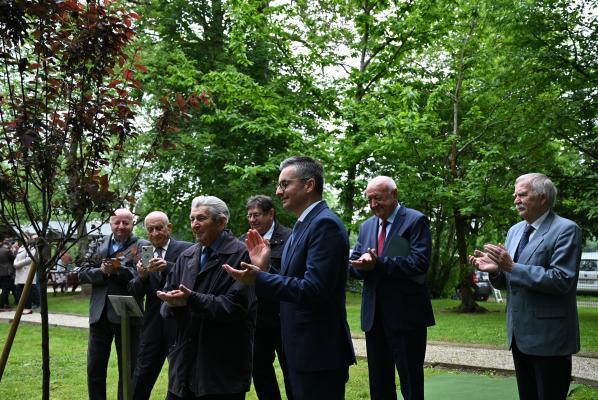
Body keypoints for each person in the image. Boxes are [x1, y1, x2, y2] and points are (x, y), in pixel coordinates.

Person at [224, 156, 355, 400]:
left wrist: (259, 279)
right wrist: (264, 269)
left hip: (318, 351)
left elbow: (314, 289)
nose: (278, 191)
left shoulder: (324, 224)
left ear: (309, 185)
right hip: (301, 349)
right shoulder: (303, 225)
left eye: (285, 184)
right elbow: (293, 281)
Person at [469, 173, 582, 400]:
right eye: (515, 195)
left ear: (543, 197)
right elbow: (511, 280)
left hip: (549, 338)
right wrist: (496, 271)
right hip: (519, 336)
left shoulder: (567, 230)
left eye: (522, 194)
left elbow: (561, 279)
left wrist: (511, 266)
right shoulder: (515, 231)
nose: (516, 200)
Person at [158, 195, 257, 400]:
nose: (194, 224)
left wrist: (191, 299)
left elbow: (235, 306)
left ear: (221, 222)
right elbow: (166, 305)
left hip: (221, 370)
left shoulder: (243, 255)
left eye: (201, 218)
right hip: (183, 367)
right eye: (192, 219)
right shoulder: (186, 256)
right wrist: (171, 303)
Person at [349, 176, 435, 400]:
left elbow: (419, 263)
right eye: (369, 199)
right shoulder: (366, 226)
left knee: (411, 383)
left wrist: (378, 264)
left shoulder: (415, 220)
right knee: (379, 384)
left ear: (394, 194)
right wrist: (359, 266)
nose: (373, 204)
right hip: (374, 317)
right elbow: (356, 265)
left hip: (406, 316)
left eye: (378, 198)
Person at [78, 208, 143, 400]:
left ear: (132, 224)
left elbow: (143, 277)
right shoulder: (97, 244)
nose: (121, 226)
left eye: (126, 222)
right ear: (110, 223)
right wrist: (102, 272)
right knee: (95, 367)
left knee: (128, 368)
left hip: (127, 315)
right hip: (99, 315)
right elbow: (82, 272)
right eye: (117, 222)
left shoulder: (142, 245)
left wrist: (118, 270)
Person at [128, 211, 192, 400]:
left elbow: (193, 279)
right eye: (150, 229)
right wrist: (142, 277)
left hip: (179, 326)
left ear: (168, 228)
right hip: (152, 327)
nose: (155, 233)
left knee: (180, 380)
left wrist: (168, 266)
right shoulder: (145, 252)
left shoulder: (186, 249)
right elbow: (135, 291)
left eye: (158, 228)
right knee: (141, 378)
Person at [240, 195, 293, 400]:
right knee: (260, 371)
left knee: (291, 370)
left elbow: (291, 278)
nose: (252, 220)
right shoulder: (243, 241)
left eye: (257, 215)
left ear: (271, 213)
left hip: (283, 317)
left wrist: (265, 267)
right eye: (249, 216)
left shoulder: (290, 238)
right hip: (256, 319)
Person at [13, 235, 38, 314]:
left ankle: (28, 307)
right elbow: (16, 258)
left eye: (25, 237)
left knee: (27, 291)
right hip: (19, 272)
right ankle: (22, 307)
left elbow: (29, 259)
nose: (23, 239)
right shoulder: (21, 248)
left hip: (27, 271)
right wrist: (15, 263)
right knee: (19, 291)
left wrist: (17, 264)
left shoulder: (32, 247)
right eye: (22, 237)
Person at [0, 240, 15, 311]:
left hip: (1, 273)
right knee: (5, 289)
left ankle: (5, 304)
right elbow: (14, 258)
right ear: (7, 244)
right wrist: (13, 250)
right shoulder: (7, 251)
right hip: (6, 272)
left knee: (5, 289)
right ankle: (2, 305)